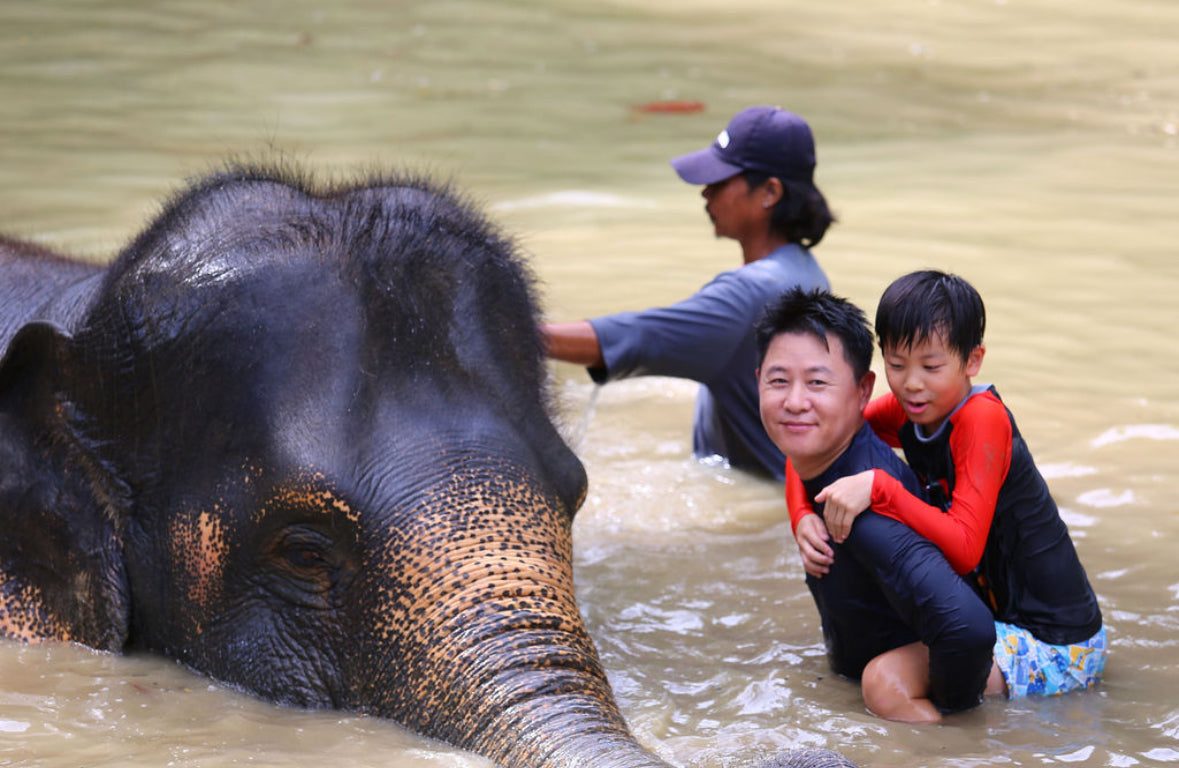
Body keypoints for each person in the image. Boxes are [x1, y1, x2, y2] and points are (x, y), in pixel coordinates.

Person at [801, 269, 1107, 707]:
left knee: (885, 685)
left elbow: (964, 548)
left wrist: (881, 488)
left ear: (972, 360)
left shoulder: (982, 418)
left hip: (1059, 644)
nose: (911, 383)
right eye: (896, 364)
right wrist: (800, 515)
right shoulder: (916, 407)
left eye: (931, 366)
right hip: (998, 620)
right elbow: (822, 431)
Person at [542, 106, 835, 479]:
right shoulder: (805, 270)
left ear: (769, 192)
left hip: (760, 503)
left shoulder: (751, 294)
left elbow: (639, 336)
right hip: (790, 493)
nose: (705, 192)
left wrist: (517, 332)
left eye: (722, 180)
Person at [756, 287, 995, 721]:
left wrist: (955, 728)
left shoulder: (865, 514)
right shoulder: (818, 455)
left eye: (816, 383)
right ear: (757, 381)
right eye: (777, 381)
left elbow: (970, 631)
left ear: (863, 391)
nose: (793, 402)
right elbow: (799, 462)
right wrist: (800, 514)